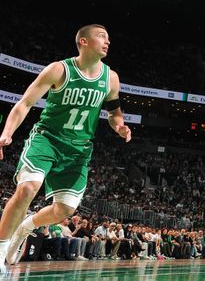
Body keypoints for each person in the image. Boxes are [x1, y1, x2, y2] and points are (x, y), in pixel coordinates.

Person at [0, 24, 132, 272]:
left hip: (78, 150)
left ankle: (25, 226)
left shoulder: (111, 77)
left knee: (65, 209)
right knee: (28, 188)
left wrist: (120, 126)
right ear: (83, 41)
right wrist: (6, 134)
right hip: (48, 138)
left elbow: (114, 113)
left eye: (108, 37)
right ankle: (0, 248)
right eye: (102, 36)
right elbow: (25, 103)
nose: (108, 41)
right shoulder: (59, 69)